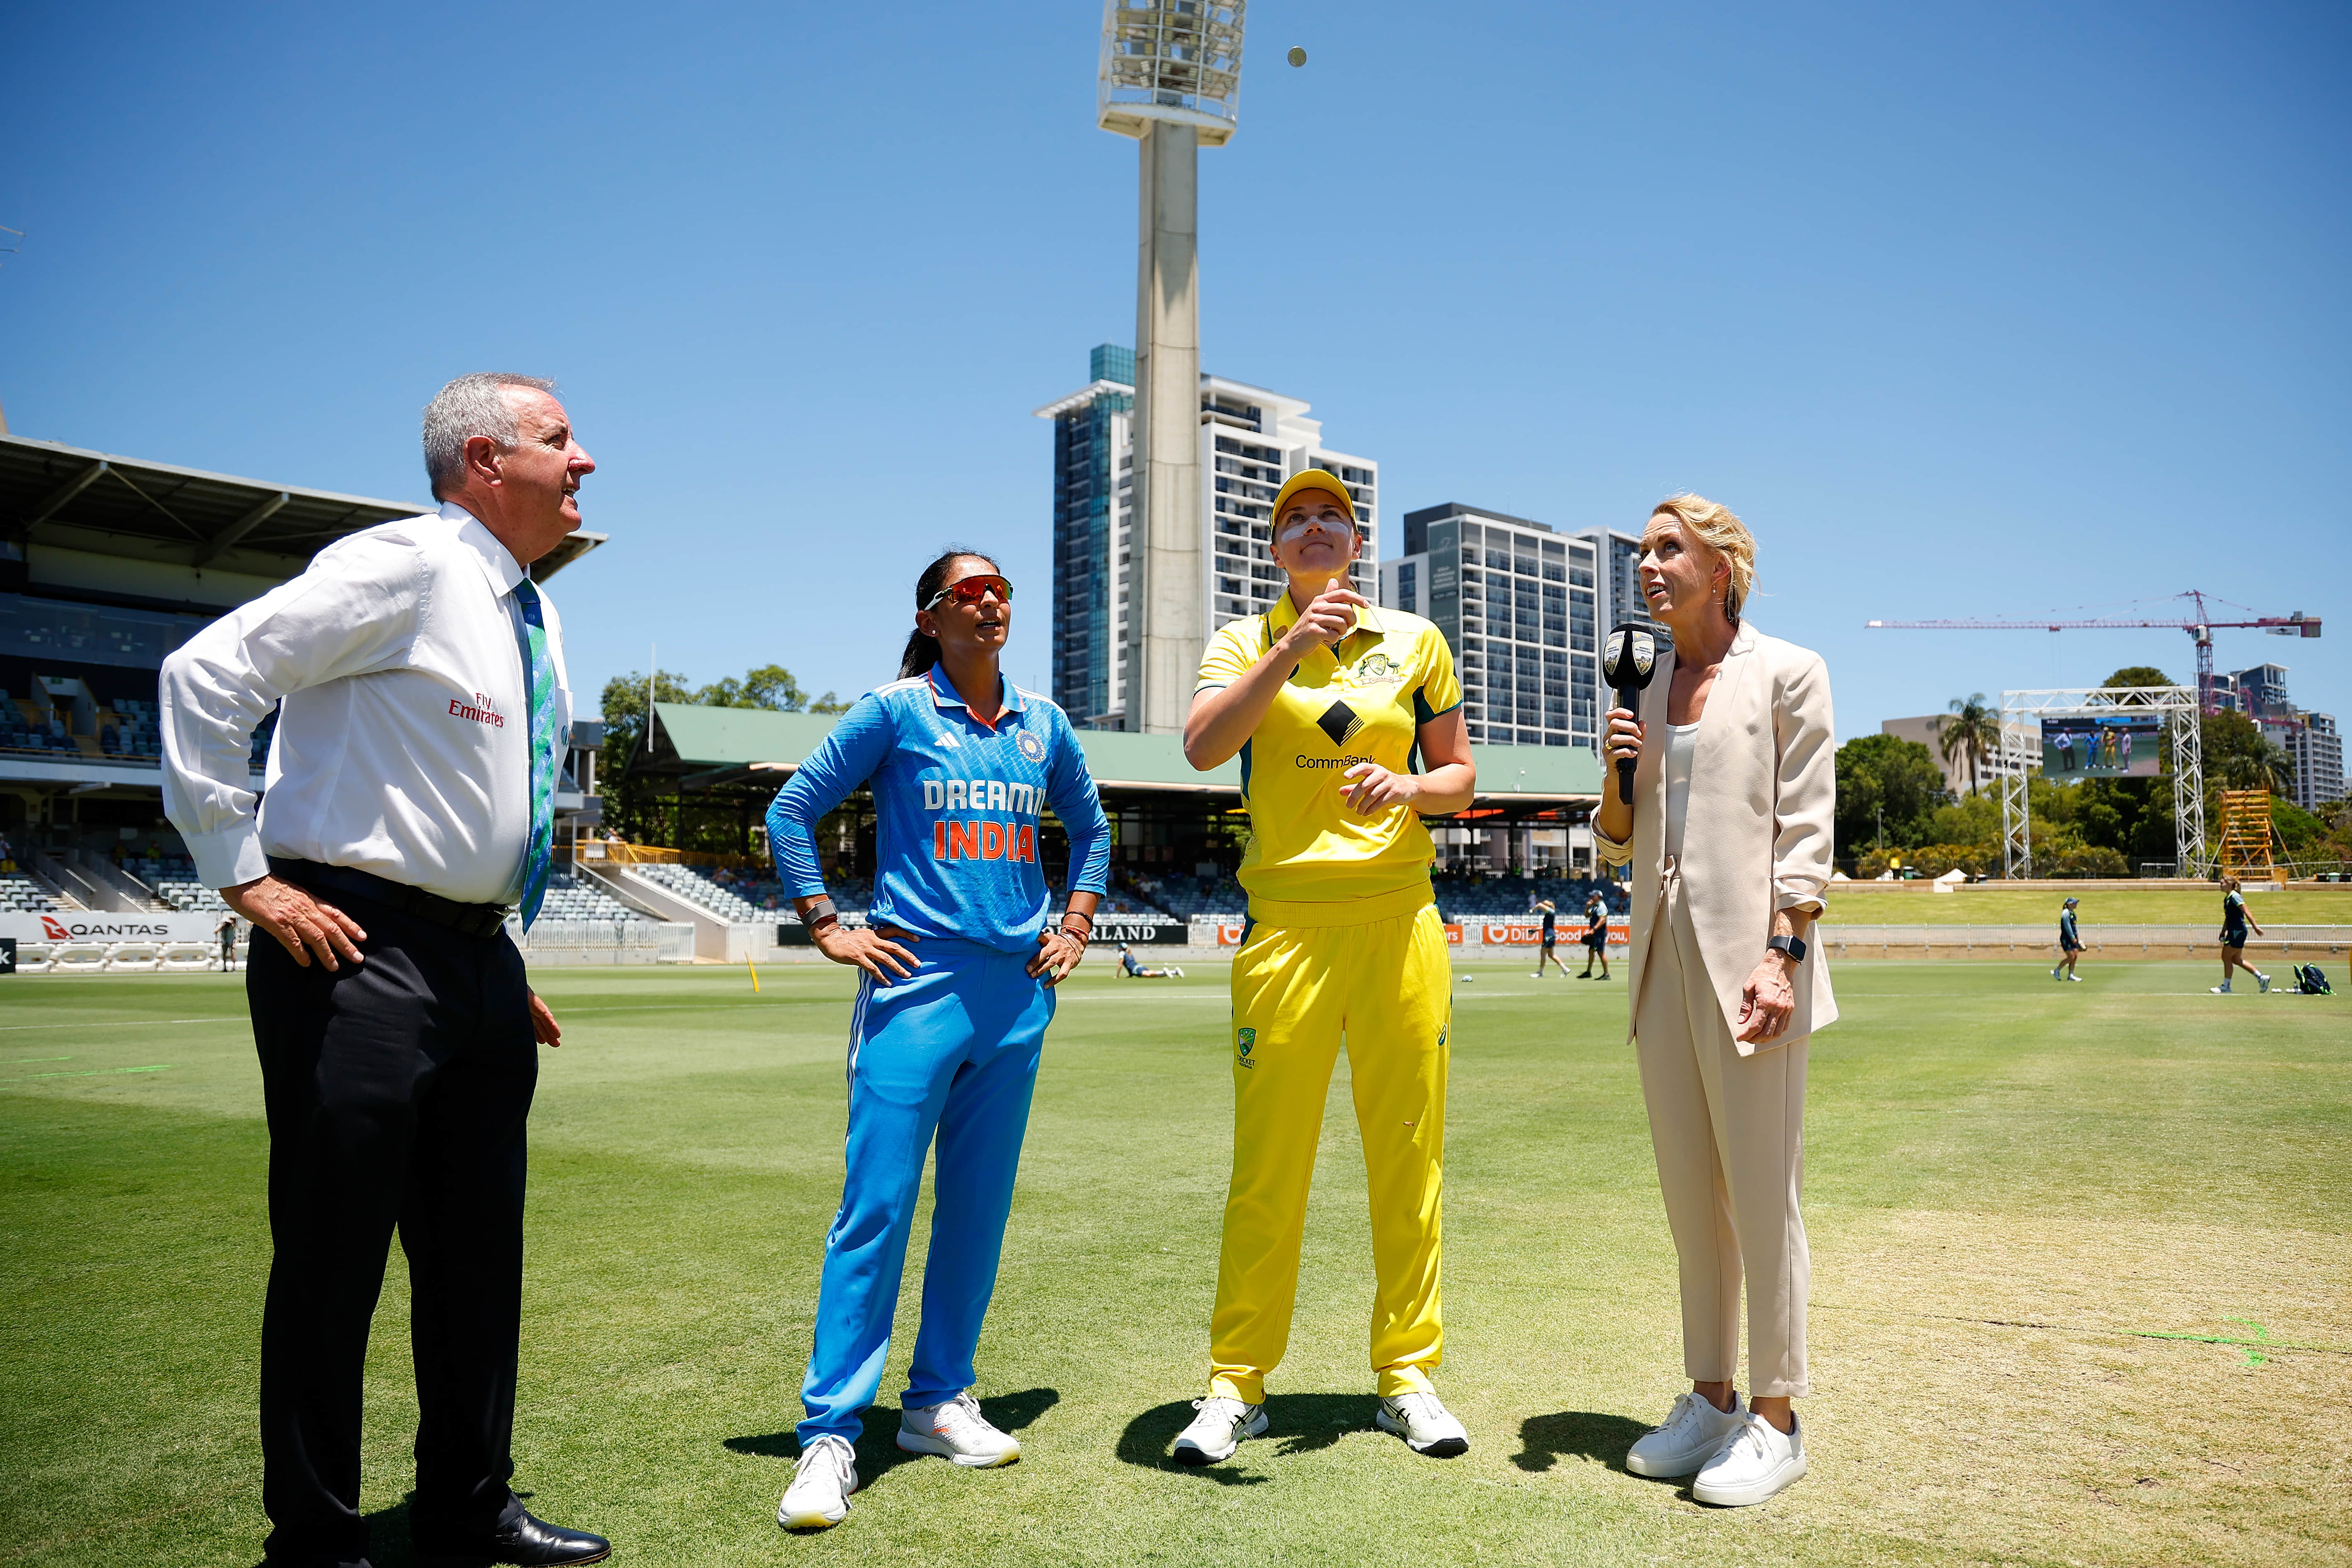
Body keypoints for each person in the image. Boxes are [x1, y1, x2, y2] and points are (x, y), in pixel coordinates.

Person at [157, 373, 610, 1568]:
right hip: (351, 947)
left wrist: (493, 958)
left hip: (474, 964)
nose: (586, 462)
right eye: (560, 440)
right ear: (481, 459)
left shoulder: (533, 611)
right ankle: (315, 1542)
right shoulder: (406, 566)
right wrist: (244, 874)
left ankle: (469, 1508)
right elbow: (206, 678)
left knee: (477, 1265)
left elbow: (463, 808)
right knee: (331, 1258)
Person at [766, 549, 1109, 1532]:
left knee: (975, 1212)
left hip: (1016, 995)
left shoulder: (1043, 723)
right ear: (930, 614)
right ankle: (829, 1432)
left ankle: (936, 1403)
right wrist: (826, 920)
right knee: (872, 1211)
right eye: (970, 591)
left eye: (1001, 590)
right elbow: (791, 808)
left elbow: (1091, 832)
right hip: (911, 989)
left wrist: (1076, 922)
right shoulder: (894, 710)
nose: (991, 602)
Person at [1174, 469, 1479, 1464]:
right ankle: (1235, 1383)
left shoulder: (1414, 641)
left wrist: (1405, 783)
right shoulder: (1241, 640)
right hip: (1286, 932)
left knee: (1407, 1159)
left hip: (1398, 924)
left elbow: (1459, 778)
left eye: (1331, 519)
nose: (1313, 529)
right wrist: (1292, 649)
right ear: (1273, 549)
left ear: (1356, 544)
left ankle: (1406, 1375)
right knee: (1268, 1169)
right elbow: (1201, 746)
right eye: (1293, 519)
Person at [1594, 493, 1837, 1508]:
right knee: (1692, 1202)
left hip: (1753, 969)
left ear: (1720, 564)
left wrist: (1782, 951)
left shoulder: (1787, 670)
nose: (1646, 564)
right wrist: (1617, 769)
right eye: (1641, 549)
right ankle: (1709, 1395)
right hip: (1659, 963)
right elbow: (1613, 839)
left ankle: (1776, 1416)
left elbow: (1805, 829)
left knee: (1758, 1197)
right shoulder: (1641, 688)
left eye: (1667, 547)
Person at [2211, 875, 2270, 994]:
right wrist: (2223, 932)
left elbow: (2246, 911)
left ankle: (2226, 986)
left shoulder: (2235, 896)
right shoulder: (2228, 898)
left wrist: (2255, 927)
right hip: (2234, 931)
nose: (2220, 885)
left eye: (2222, 883)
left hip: (2237, 931)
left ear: (2230, 884)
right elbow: (2228, 918)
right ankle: (2261, 978)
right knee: (2236, 959)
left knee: (2226, 957)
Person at [1531, 899, 1570, 979]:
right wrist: (1536, 930)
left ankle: (1540, 973)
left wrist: (1533, 910)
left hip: (1548, 936)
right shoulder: (1550, 914)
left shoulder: (1551, 912)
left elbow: (1540, 905)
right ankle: (1565, 969)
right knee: (1551, 955)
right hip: (1551, 935)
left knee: (1543, 954)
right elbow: (1546, 926)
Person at [1578, 888, 1612, 980]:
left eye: (1593, 896)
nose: (1591, 897)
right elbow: (1587, 915)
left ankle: (1607, 974)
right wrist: (1588, 907)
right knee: (1591, 951)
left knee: (1601, 952)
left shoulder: (1602, 906)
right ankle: (1588, 972)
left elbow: (1603, 920)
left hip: (1599, 933)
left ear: (1598, 897)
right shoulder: (1595, 906)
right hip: (1595, 934)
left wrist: (1594, 929)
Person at [2053, 896, 2083, 981]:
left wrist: (2078, 939)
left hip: (2073, 938)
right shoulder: (2066, 913)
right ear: (2070, 904)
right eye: (2075, 903)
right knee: (2071, 956)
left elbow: (2074, 927)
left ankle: (2071, 975)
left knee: (2076, 956)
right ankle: (2057, 970)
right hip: (2067, 938)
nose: (2076, 904)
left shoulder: (2072, 913)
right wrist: (2072, 937)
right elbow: (2068, 927)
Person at [1118, 941, 1185, 978]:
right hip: (1140, 967)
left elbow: (1120, 966)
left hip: (1136, 970)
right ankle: (1175, 972)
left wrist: (1117, 976)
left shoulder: (1122, 954)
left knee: (1150, 975)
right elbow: (1130, 965)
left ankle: (1166, 972)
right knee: (1154, 975)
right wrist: (1130, 976)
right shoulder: (1129, 954)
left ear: (1121, 948)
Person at [215, 909, 239, 973]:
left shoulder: (232, 926)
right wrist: (222, 926)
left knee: (233, 954)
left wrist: (231, 923)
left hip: (231, 941)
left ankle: (234, 968)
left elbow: (235, 926)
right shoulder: (222, 926)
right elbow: (216, 931)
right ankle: (225, 967)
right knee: (224, 955)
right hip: (225, 941)